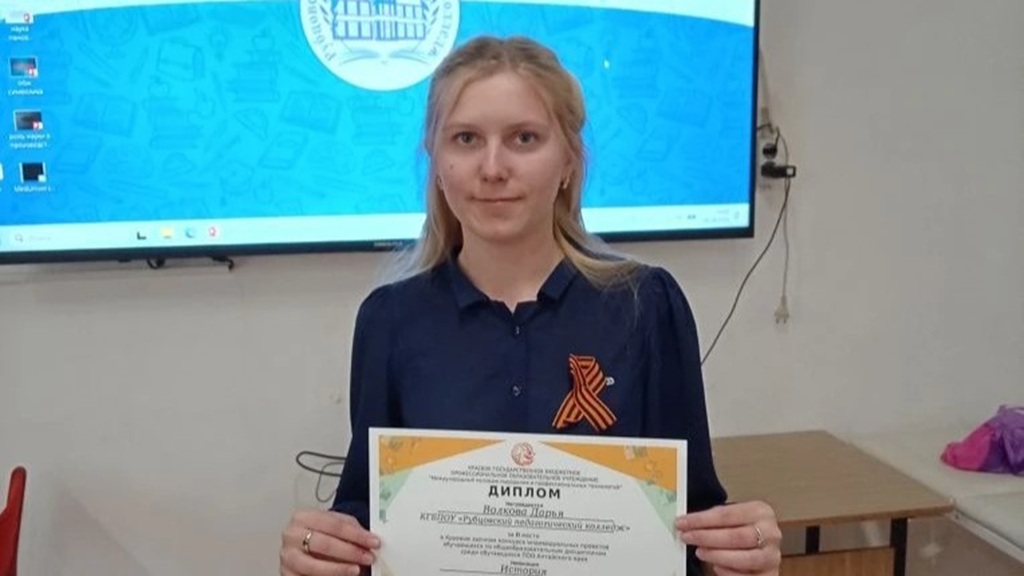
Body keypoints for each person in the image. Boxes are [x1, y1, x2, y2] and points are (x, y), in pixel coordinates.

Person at [280, 35, 782, 576]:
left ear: (568, 160)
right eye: (466, 138)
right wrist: (321, 553)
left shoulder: (646, 305)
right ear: (437, 161)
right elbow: (365, 523)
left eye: (524, 138)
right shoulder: (390, 319)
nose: (493, 167)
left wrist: (738, 552)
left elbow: (692, 519)